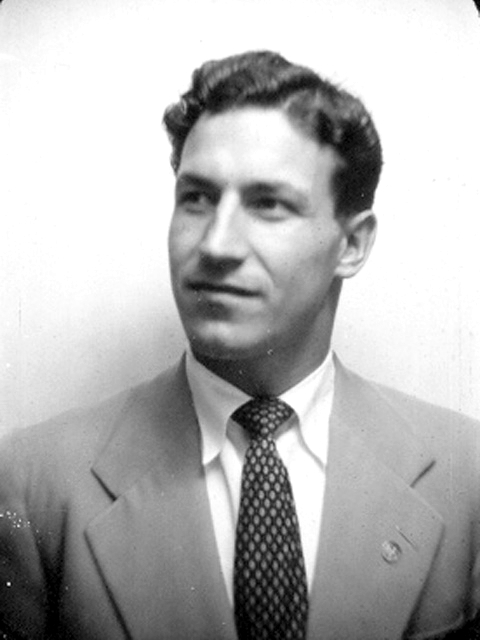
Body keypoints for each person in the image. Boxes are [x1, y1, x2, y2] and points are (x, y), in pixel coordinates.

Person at [1, 50, 479, 640]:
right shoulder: (33, 483)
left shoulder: (467, 473)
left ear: (352, 245)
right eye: (196, 198)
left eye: (268, 204)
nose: (216, 245)